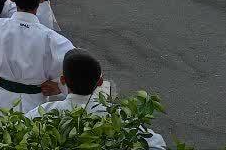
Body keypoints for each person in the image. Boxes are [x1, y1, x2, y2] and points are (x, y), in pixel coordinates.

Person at [25, 49, 168, 149]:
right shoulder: (116, 116)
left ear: (62, 80)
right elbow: (156, 145)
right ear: (100, 82)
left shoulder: (42, 113)